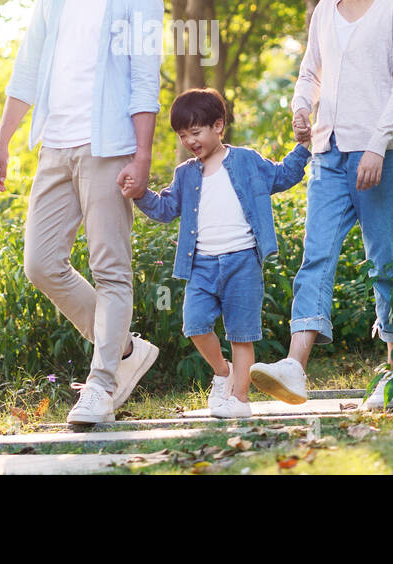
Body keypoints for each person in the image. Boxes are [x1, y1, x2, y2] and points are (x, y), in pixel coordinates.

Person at [0, 0, 164, 430]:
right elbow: (27, 68)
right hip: (55, 144)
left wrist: (141, 157)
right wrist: (3, 139)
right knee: (41, 263)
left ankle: (103, 382)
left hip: (108, 146)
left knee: (111, 267)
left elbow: (143, 81)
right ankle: (127, 348)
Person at [250, 0, 393, 411]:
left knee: (386, 263)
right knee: (316, 257)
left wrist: (376, 144)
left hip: (380, 159)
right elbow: (309, 72)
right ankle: (295, 369)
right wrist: (302, 108)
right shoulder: (325, 9)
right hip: (327, 155)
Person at [126, 88, 309, 418]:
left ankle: (240, 401)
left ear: (218, 126)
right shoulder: (185, 174)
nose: (190, 141)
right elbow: (166, 209)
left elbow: (283, 175)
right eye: (183, 135)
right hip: (202, 266)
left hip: (243, 261)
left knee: (242, 334)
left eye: (195, 132)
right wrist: (140, 194)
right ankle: (222, 373)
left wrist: (304, 147)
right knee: (194, 324)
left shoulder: (246, 160)